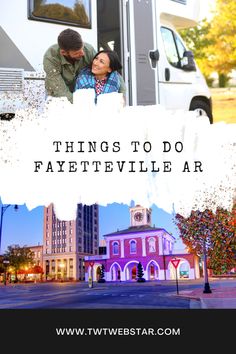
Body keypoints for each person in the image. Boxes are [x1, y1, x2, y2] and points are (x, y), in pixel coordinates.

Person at [43, 28, 97, 103]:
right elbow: (59, 90)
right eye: (77, 53)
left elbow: (107, 69)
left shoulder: (89, 50)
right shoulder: (51, 57)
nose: (82, 53)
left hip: (81, 94)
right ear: (64, 53)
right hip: (58, 96)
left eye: (82, 49)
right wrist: (79, 104)